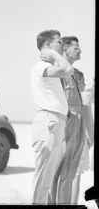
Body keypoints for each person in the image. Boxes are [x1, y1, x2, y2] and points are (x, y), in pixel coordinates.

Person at [30, 29, 73, 204]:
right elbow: (67, 69)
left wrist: (54, 54)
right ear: (47, 46)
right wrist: (53, 54)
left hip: (54, 122)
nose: (62, 45)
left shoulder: (48, 68)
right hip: (49, 122)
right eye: (59, 42)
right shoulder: (41, 67)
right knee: (43, 177)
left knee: (47, 178)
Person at [49, 36, 88, 204]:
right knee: (60, 168)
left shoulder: (75, 74)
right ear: (64, 50)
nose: (79, 51)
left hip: (78, 123)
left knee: (71, 170)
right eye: (75, 48)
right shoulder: (59, 71)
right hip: (68, 121)